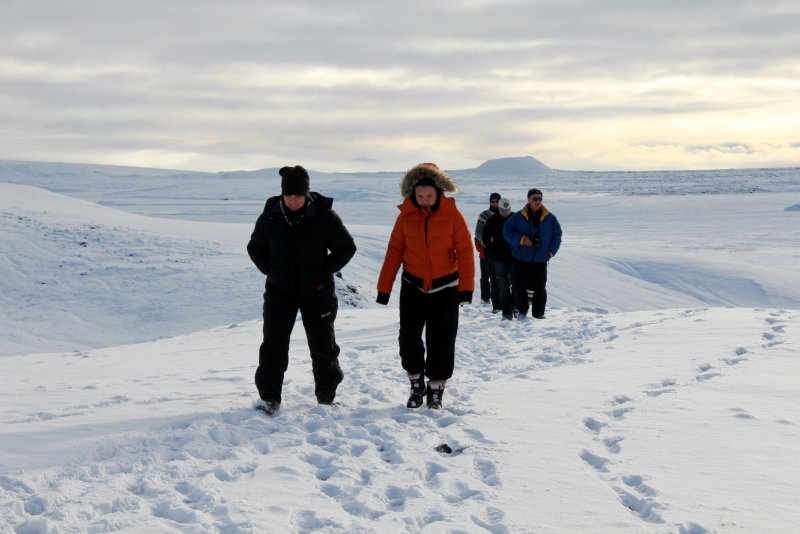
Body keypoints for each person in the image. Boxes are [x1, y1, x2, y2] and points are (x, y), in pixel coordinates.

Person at [247, 165, 356, 415]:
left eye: (298, 195)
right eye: (289, 195)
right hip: (279, 291)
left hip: (317, 291)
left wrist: (322, 270)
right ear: (283, 194)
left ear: (307, 194)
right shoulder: (270, 217)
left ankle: (326, 397)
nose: (293, 199)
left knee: (323, 345)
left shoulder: (325, 216)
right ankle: (269, 399)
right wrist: (270, 270)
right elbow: (255, 247)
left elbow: (346, 248)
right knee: (273, 345)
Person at [376, 163, 475, 409]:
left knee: (441, 338)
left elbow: (465, 251)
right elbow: (394, 252)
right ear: (412, 192)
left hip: (446, 287)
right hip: (413, 285)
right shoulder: (405, 216)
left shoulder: (453, 215)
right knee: (408, 337)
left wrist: (466, 288)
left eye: (428, 196)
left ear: (439, 191)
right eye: (419, 196)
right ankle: (416, 382)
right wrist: (384, 288)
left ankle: (436, 387)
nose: (424, 200)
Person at [502, 188, 562, 319]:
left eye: (540, 198)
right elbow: (507, 231)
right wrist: (523, 240)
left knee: (540, 288)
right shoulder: (518, 217)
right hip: (520, 258)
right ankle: (522, 311)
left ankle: (539, 314)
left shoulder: (550, 218)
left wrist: (551, 252)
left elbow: (557, 235)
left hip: (540, 259)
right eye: (534, 198)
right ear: (528, 200)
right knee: (518, 287)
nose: (538, 201)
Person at [482, 198, 515, 320]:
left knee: (516, 284)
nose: (505, 212)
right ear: (499, 209)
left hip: (514, 257)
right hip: (499, 259)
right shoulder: (492, 220)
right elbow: (484, 237)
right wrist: (492, 251)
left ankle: (515, 307)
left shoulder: (516, 218)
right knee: (503, 286)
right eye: (503, 210)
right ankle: (507, 314)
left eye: (507, 210)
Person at [474, 192, 501, 310]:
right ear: (490, 202)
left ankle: (498, 298)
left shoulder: (503, 214)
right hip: (485, 251)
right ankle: (485, 299)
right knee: (485, 276)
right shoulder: (484, 215)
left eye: (497, 201)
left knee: (498, 277)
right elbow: (478, 233)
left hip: (499, 253)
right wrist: (483, 245)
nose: (495, 203)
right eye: (493, 201)